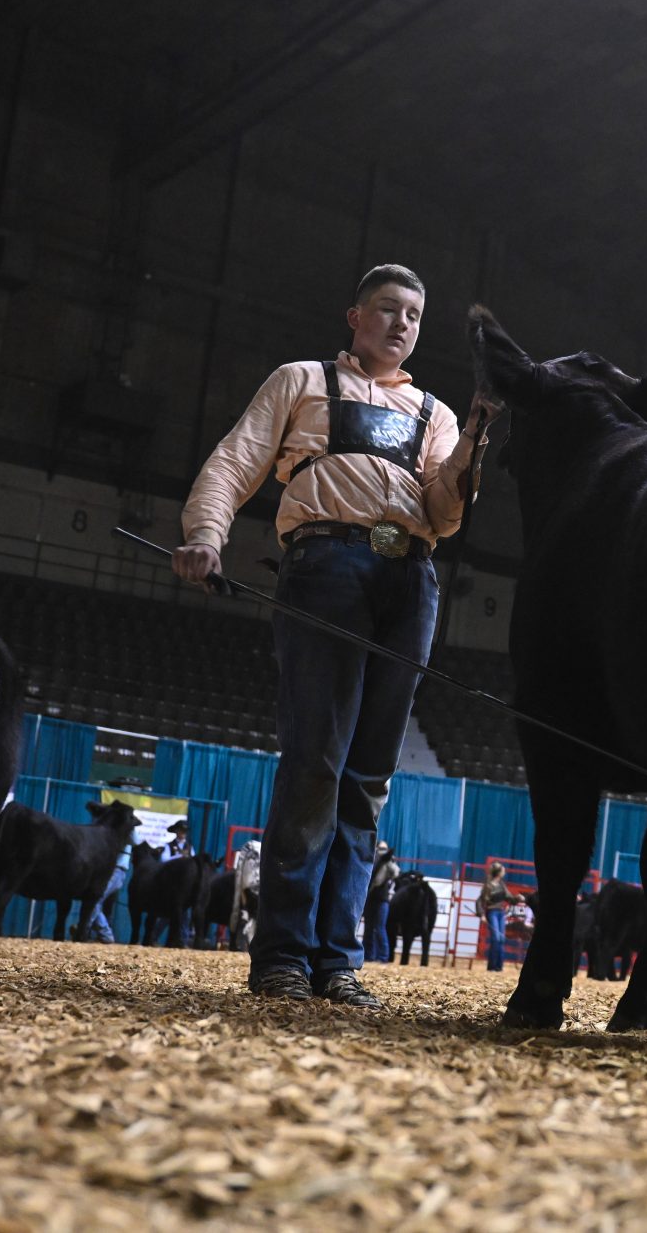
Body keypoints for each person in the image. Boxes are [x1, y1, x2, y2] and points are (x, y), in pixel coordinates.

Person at [173, 264, 493, 1005]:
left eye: (413, 315)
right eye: (387, 309)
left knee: (368, 780)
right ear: (355, 316)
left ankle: (337, 961)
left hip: (409, 578)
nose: (401, 324)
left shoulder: (438, 413)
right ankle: (282, 953)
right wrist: (205, 534)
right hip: (325, 564)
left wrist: (475, 437)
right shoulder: (301, 379)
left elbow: (444, 514)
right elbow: (236, 459)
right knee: (316, 761)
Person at [364, 840, 398, 963]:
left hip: (382, 899)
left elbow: (395, 873)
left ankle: (383, 957)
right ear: (376, 848)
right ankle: (368, 955)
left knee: (379, 928)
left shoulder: (389, 862)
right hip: (370, 898)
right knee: (369, 928)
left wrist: (388, 860)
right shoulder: (372, 860)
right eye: (380, 848)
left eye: (384, 849)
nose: (382, 851)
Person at [478, 860, 512, 972]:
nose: (504, 872)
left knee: (501, 939)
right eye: (503, 870)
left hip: (501, 912)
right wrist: (482, 914)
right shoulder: (488, 885)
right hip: (492, 912)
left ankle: (499, 967)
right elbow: (480, 901)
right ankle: (492, 966)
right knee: (496, 938)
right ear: (499, 873)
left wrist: (518, 899)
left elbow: (509, 897)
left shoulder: (502, 885)